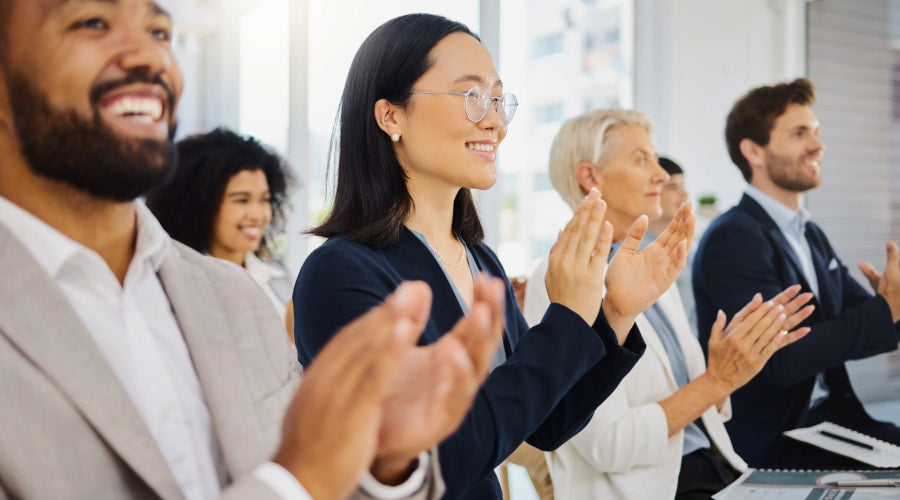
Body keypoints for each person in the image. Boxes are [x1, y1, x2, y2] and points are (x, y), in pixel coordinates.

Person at [0, 1, 507, 498]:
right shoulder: (340, 268)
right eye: (93, 22)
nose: (150, 57)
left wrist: (386, 462)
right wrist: (294, 481)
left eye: (159, 33)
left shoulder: (234, 298)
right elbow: (302, 476)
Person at [292, 13, 695, 500]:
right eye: (472, 96)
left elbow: (544, 424)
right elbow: (437, 460)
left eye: (499, 100)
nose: (496, 123)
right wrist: (566, 319)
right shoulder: (339, 272)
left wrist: (614, 313)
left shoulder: (479, 260)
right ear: (390, 116)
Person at [523, 108, 814, 499]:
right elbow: (610, 446)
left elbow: (700, 403)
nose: (661, 174)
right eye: (642, 159)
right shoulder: (560, 279)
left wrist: (731, 364)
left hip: (718, 466)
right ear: (590, 176)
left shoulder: (653, 259)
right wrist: (716, 381)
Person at [693, 78, 900, 468]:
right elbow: (779, 360)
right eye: (799, 133)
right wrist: (885, 308)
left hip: (829, 421)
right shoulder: (733, 238)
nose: (818, 145)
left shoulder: (809, 233)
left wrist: (894, 305)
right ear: (753, 151)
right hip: (773, 440)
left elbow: (860, 320)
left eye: (816, 132)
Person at [146, 128, 296, 336]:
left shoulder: (279, 276)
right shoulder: (173, 284)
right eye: (242, 200)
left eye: (264, 199)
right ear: (202, 205)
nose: (258, 215)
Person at [648, 157, 698, 333]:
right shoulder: (640, 251)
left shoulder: (688, 243)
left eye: (682, 185)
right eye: (672, 187)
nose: (683, 194)